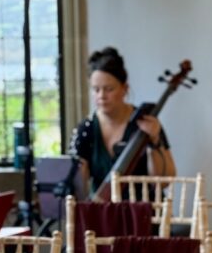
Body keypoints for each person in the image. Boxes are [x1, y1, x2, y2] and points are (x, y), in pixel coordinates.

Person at [69, 47, 176, 195]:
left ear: (124, 88)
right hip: (104, 213)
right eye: (96, 89)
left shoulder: (145, 122)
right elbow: (78, 186)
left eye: (109, 89)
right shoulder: (86, 129)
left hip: (143, 210)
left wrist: (154, 141)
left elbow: (163, 181)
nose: (101, 95)